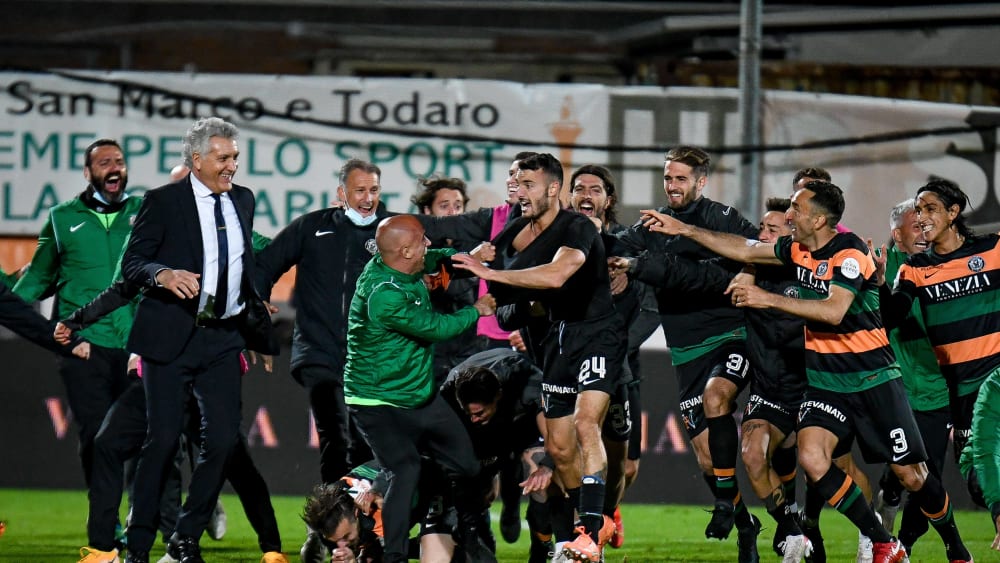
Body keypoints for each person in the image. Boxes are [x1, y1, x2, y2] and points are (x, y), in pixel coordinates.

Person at [643, 179, 973, 563]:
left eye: (796, 209)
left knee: (912, 476)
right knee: (813, 458)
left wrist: (765, 297)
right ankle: (882, 540)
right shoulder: (798, 250)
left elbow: (834, 310)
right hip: (826, 383)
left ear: (818, 220)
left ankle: (956, 547)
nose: (789, 215)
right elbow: (746, 247)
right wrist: (685, 228)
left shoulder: (848, 253)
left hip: (873, 380)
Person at [119, 117, 277, 563]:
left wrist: (258, 317)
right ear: (196, 160)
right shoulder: (163, 201)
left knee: (224, 441)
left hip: (223, 338)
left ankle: (185, 537)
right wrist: (162, 274)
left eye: (235, 158)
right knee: (163, 441)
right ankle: (137, 545)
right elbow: (133, 264)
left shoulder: (243, 200)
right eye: (223, 157)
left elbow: (241, 263)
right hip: (171, 337)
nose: (232, 166)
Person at [451, 153, 622, 563]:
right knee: (560, 450)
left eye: (528, 184)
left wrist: (491, 275)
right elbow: (504, 297)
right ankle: (588, 526)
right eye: (515, 182)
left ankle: (589, 530)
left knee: (585, 424)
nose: (519, 191)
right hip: (556, 342)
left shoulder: (577, 226)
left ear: (552, 189)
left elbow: (557, 274)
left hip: (597, 334)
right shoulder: (517, 234)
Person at [609, 146, 761, 562]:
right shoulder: (654, 223)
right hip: (685, 349)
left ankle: (732, 507)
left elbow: (754, 251)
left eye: (680, 179)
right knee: (707, 458)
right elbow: (619, 243)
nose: (672, 186)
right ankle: (746, 524)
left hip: (730, 335)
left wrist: (742, 270)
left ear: (701, 181)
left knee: (718, 397)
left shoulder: (720, 218)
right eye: (667, 179)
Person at [344, 214, 499, 563]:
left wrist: (461, 257)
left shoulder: (399, 260)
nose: (428, 244)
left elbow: (430, 259)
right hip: (376, 400)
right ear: (404, 251)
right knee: (404, 469)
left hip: (418, 394)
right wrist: (478, 310)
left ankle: (463, 530)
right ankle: (394, 555)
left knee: (468, 467)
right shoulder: (383, 295)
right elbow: (435, 327)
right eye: (422, 241)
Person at [875, 179, 1000, 558]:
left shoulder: (993, 249)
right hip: (961, 394)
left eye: (930, 209)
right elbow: (892, 315)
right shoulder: (914, 268)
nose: (923, 217)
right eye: (918, 210)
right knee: (978, 485)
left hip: (996, 382)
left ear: (953, 213)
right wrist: (880, 282)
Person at [254, 158, 387, 512]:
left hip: (370, 358)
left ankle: (351, 523)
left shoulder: (392, 232)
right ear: (341, 193)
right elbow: (264, 265)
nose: (367, 197)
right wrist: (258, 305)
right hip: (319, 351)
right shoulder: (311, 227)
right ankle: (332, 518)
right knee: (336, 434)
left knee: (364, 444)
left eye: (374, 189)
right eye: (360, 190)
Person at [13, 138, 141, 491]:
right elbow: (39, 276)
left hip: (137, 344)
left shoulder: (144, 211)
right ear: (88, 173)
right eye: (104, 163)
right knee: (96, 434)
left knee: (148, 437)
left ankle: (155, 510)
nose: (114, 167)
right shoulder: (62, 217)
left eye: (119, 160)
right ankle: (108, 522)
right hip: (84, 345)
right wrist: (9, 305)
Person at [567, 164, 659, 550]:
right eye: (579, 188)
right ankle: (586, 529)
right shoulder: (557, 247)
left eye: (595, 189)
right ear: (568, 196)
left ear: (608, 199)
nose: (587, 194)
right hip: (567, 366)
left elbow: (652, 309)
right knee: (568, 448)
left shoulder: (626, 249)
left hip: (621, 369)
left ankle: (606, 512)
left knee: (626, 464)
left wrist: (617, 348)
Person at [870, 199, 952, 555]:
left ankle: (902, 545)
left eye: (925, 225)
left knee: (927, 480)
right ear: (896, 234)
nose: (923, 233)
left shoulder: (942, 266)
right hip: (895, 390)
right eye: (915, 226)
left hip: (937, 391)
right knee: (901, 474)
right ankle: (886, 512)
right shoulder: (879, 270)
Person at [442, 348, 555, 563]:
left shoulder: (530, 384)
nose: (474, 418)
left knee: (541, 469)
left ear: (498, 397)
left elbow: (553, 438)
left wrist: (546, 467)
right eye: (469, 413)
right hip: (484, 435)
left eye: (479, 413)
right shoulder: (449, 394)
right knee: (472, 478)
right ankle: (474, 534)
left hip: (524, 424)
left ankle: (540, 542)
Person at [412, 175, 482, 385]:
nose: (453, 212)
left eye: (458, 206)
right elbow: (430, 286)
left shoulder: (476, 245)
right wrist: (468, 263)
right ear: (427, 211)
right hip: (430, 357)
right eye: (444, 206)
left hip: (470, 354)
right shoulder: (415, 250)